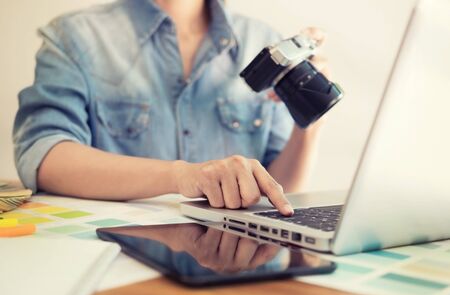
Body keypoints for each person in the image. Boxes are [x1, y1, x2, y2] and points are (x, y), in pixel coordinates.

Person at [13, 0, 329, 216]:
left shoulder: (263, 40)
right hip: (118, 259)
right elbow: (43, 155)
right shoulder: (74, 37)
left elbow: (278, 190)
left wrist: (310, 117)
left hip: (238, 263)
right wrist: (182, 176)